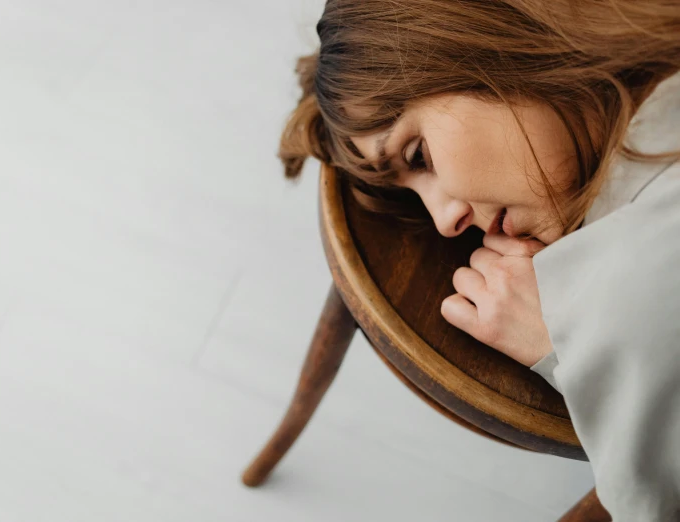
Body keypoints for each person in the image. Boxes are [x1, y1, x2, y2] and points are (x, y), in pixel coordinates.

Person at [279, 1, 680, 520]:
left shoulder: (642, 275)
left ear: (483, 43)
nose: (445, 220)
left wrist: (564, 332)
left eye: (419, 156)